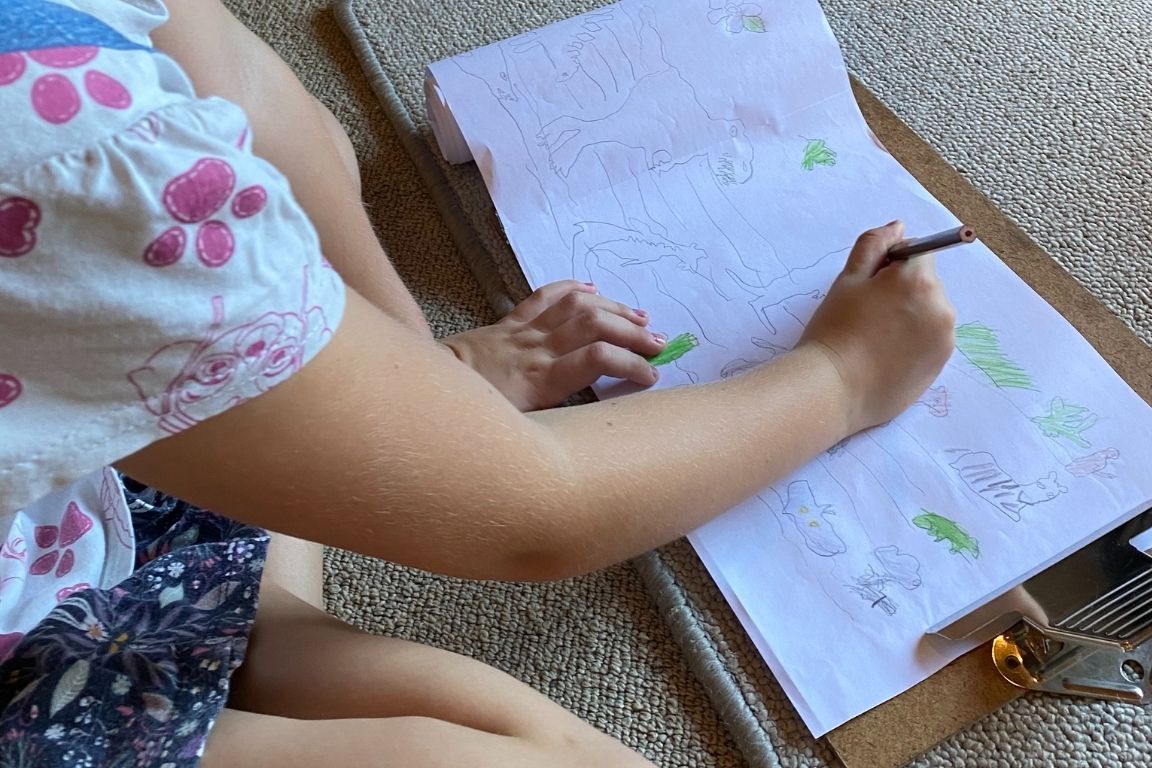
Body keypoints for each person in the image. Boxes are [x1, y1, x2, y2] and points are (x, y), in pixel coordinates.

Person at [0, 0, 956, 765]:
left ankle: (253, 628)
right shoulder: (57, 150)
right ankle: (239, 639)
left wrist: (425, 373)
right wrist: (843, 378)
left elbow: (249, 89)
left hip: (62, 521)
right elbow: (535, 512)